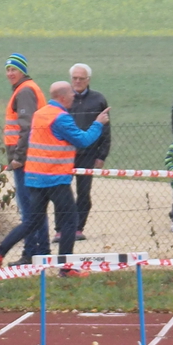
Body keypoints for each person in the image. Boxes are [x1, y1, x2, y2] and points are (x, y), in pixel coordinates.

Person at [0, 79, 107, 267]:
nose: (74, 95)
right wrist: (98, 124)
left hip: (34, 177)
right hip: (55, 178)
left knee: (32, 221)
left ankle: (0, 251)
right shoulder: (60, 118)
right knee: (70, 221)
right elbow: (83, 140)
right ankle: (65, 267)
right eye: (71, 93)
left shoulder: (39, 114)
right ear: (62, 97)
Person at [0, 54, 45, 265]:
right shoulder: (27, 89)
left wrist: (18, 157)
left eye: (14, 69)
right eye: (7, 70)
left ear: (23, 71)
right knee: (35, 209)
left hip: (26, 160)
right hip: (32, 157)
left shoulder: (24, 91)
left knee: (29, 210)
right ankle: (41, 252)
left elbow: (27, 126)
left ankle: (31, 252)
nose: (10, 73)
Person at [67, 63, 109, 238]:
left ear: (88, 80)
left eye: (81, 78)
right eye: (74, 78)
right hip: (66, 154)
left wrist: (102, 155)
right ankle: (62, 229)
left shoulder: (98, 100)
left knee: (83, 193)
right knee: (61, 192)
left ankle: (78, 228)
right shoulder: (65, 99)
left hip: (88, 154)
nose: (77, 81)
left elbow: (106, 130)